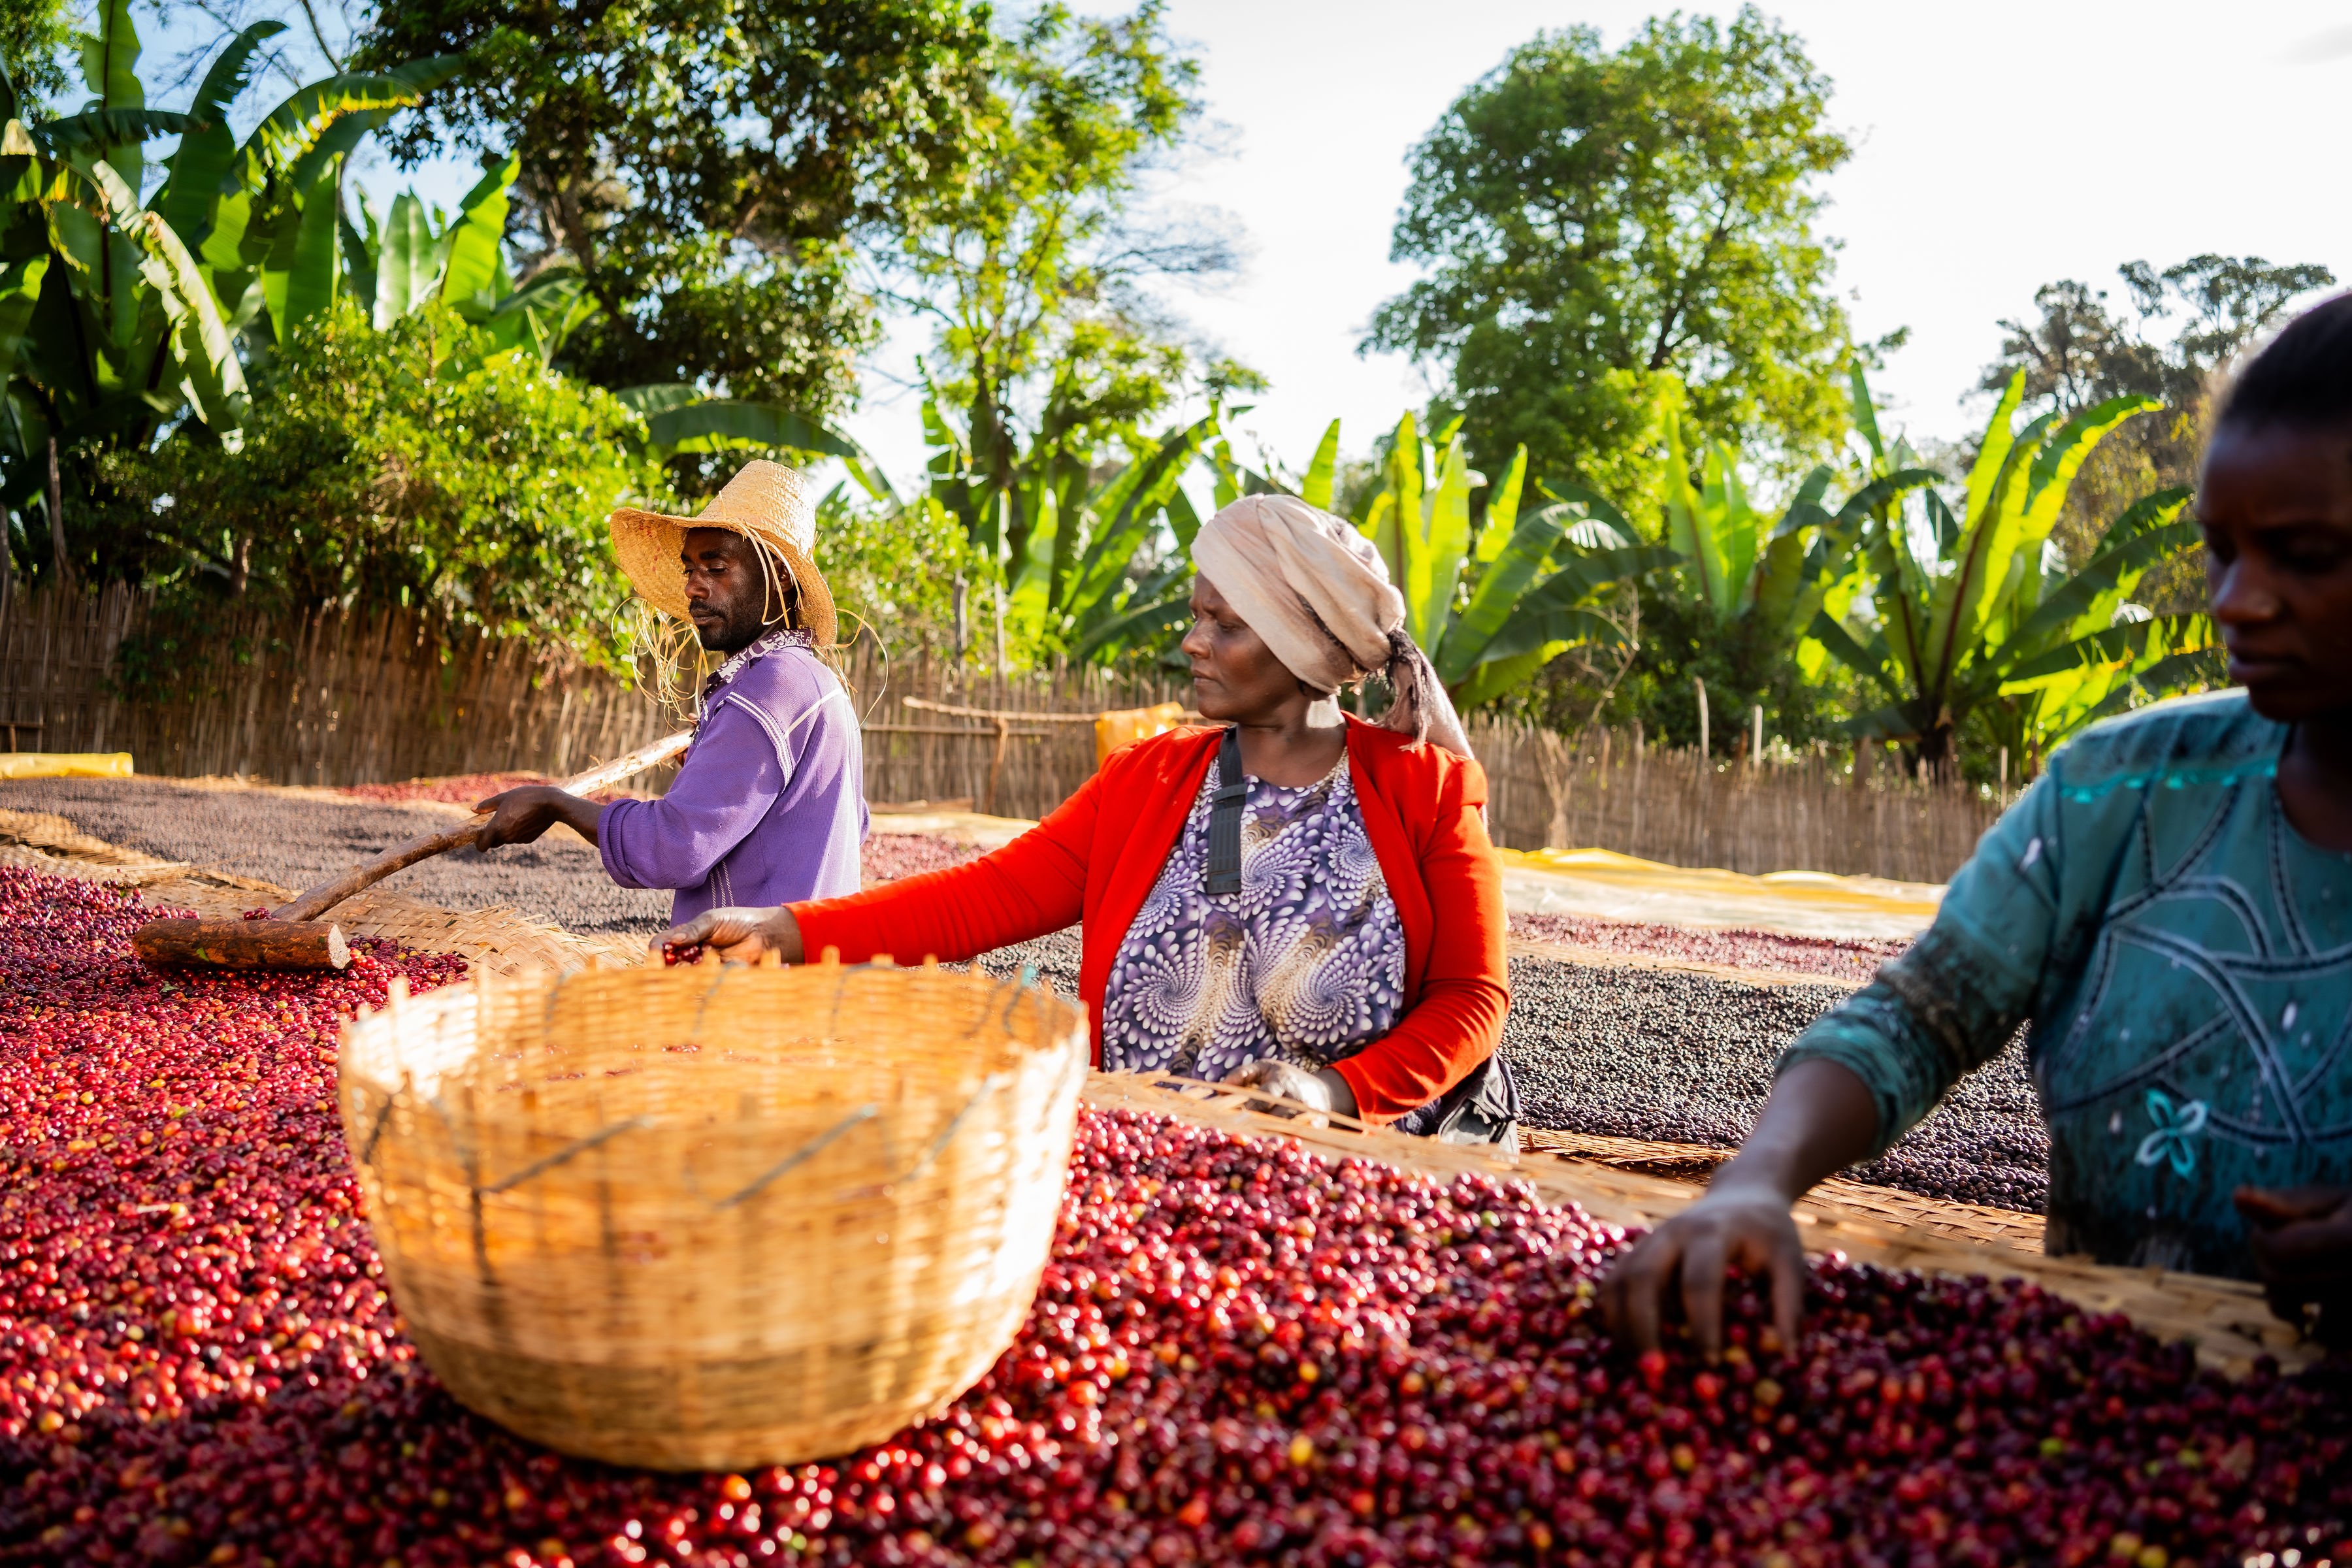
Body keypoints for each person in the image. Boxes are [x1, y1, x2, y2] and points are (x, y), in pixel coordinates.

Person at [1603, 294, 2352, 1358]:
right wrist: (1755, 1179)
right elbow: (1920, 1015)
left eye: (2306, 557)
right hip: (2108, 1416)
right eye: (2223, 551)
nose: (2237, 600)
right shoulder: (2121, 790)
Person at [659, 495, 1520, 1143]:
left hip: (1356, 1185)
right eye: (1195, 615)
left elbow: (1471, 1001)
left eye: (1226, 623)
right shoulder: (1147, 783)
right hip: (1153, 1170)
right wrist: (785, 930)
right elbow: (981, 899)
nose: (1193, 641)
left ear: (1302, 643)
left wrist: (1333, 1095)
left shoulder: (1427, 791)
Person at [471, 460, 867, 916]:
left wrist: (555, 804)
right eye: (689, 569)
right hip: (814, 969)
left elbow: (675, 847)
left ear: (778, 575)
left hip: (754, 977)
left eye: (716, 567)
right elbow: (849, 823)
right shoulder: (817, 682)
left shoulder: (768, 691)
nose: (694, 589)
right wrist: (715, 762)